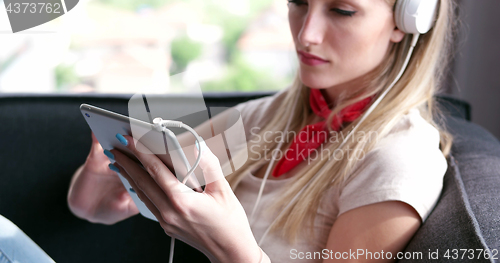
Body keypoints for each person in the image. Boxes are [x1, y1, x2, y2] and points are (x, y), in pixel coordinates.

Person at [67, 0, 456, 262]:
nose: (306, 34)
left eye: (341, 10)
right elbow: (97, 209)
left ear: (407, 20)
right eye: (298, 2)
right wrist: (99, 185)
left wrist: (230, 250)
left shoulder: (400, 161)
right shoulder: (260, 118)